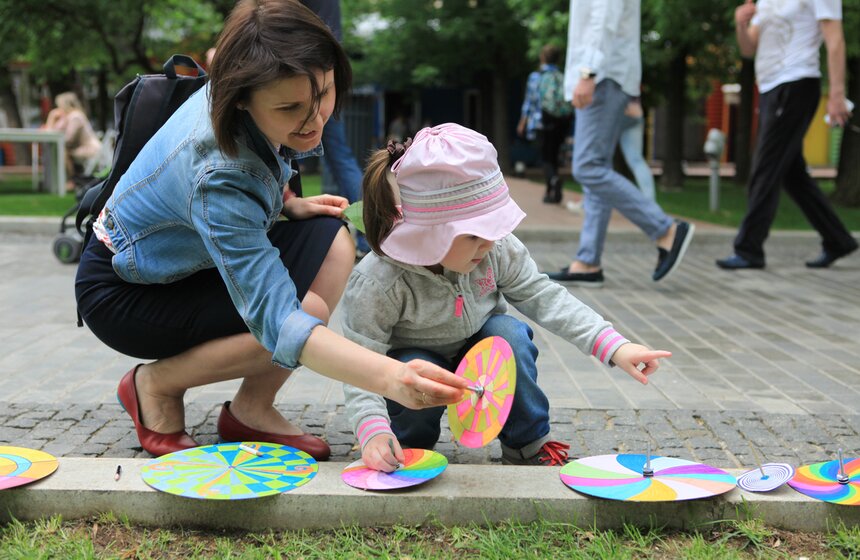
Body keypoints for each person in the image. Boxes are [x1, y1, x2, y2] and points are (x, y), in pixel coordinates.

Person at [74, 0, 468, 460]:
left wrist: (287, 202)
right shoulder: (219, 175)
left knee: (333, 239)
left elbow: (266, 152)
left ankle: (250, 410)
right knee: (307, 312)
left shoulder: (250, 94)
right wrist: (391, 379)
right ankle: (153, 386)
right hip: (127, 291)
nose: (314, 119)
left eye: (323, 94)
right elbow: (280, 320)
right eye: (291, 107)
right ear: (240, 97)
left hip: (190, 260)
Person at [341, 123, 671, 471]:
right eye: (474, 234)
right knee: (410, 370)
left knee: (509, 334)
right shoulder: (380, 281)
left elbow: (545, 296)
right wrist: (374, 432)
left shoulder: (495, 250)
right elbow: (360, 362)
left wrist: (614, 346)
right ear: (428, 232)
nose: (488, 242)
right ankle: (408, 445)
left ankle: (527, 443)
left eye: (495, 227)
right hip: (417, 367)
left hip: (482, 357)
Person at [547, 0, 694, 288]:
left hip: (602, 76)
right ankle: (588, 262)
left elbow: (603, 19)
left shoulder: (595, 72)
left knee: (588, 167)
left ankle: (665, 229)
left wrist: (588, 71)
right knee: (597, 167)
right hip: (606, 75)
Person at [716, 0, 858, 270]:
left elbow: (835, 40)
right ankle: (837, 239)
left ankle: (749, 249)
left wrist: (837, 95)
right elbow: (749, 48)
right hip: (770, 87)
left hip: (797, 82)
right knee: (792, 174)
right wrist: (740, 22)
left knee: (766, 165)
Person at [300, 0, 371, 257]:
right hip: (328, 75)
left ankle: (368, 237)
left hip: (307, 74)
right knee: (339, 160)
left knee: (338, 160)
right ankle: (367, 237)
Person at [517, 45, 573, 204]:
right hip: (561, 122)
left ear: (542, 57)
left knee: (545, 157)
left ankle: (553, 181)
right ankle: (552, 192)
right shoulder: (562, 76)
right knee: (554, 155)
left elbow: (530, 101)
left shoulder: (536, 76)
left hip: (542, 121)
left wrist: (523, 121)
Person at [44, 91, 102, 191]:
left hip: (90, 150)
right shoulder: (71, 116)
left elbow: (68, 139)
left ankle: (72, 181)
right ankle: (68, 181)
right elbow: (51, 131)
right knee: (62, 151)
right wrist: (52, 118)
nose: (58, 108)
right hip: (83, 148)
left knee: (63, 152)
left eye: (59, 105)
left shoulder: (75, 116)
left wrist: (52, 117)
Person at [618, 97, 655, 201]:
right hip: (635, 109)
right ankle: (650, 204)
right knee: (637, 160)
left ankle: (589, 202)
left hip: (614, 110)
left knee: (596, 159)